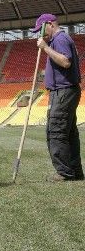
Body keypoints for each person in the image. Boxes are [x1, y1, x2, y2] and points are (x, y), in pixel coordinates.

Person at [32, 13, 83, 181]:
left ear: (50, 24)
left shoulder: (60, 39)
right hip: (66, 91)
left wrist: (45, 48)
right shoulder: (60, 40)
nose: (41, 34)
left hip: (63, 92)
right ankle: (75, 170)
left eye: (41, 29)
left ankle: (64, 172)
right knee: (69, 133)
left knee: (57, 130)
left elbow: (65, 61)